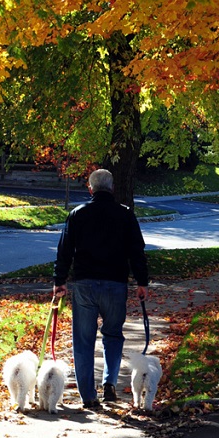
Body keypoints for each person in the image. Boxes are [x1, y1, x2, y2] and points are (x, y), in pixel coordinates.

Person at [53, 168, 149, 410]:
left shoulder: (77, 214)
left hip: (85, 284)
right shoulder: (126, 215)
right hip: (116, 284)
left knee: (84, 340)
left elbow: (64, 250)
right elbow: (137, 251)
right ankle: (109, 384)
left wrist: (60, 280)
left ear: (90, 189)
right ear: (112, 188)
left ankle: (88, 395)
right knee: (113, 335)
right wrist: (142, 282)